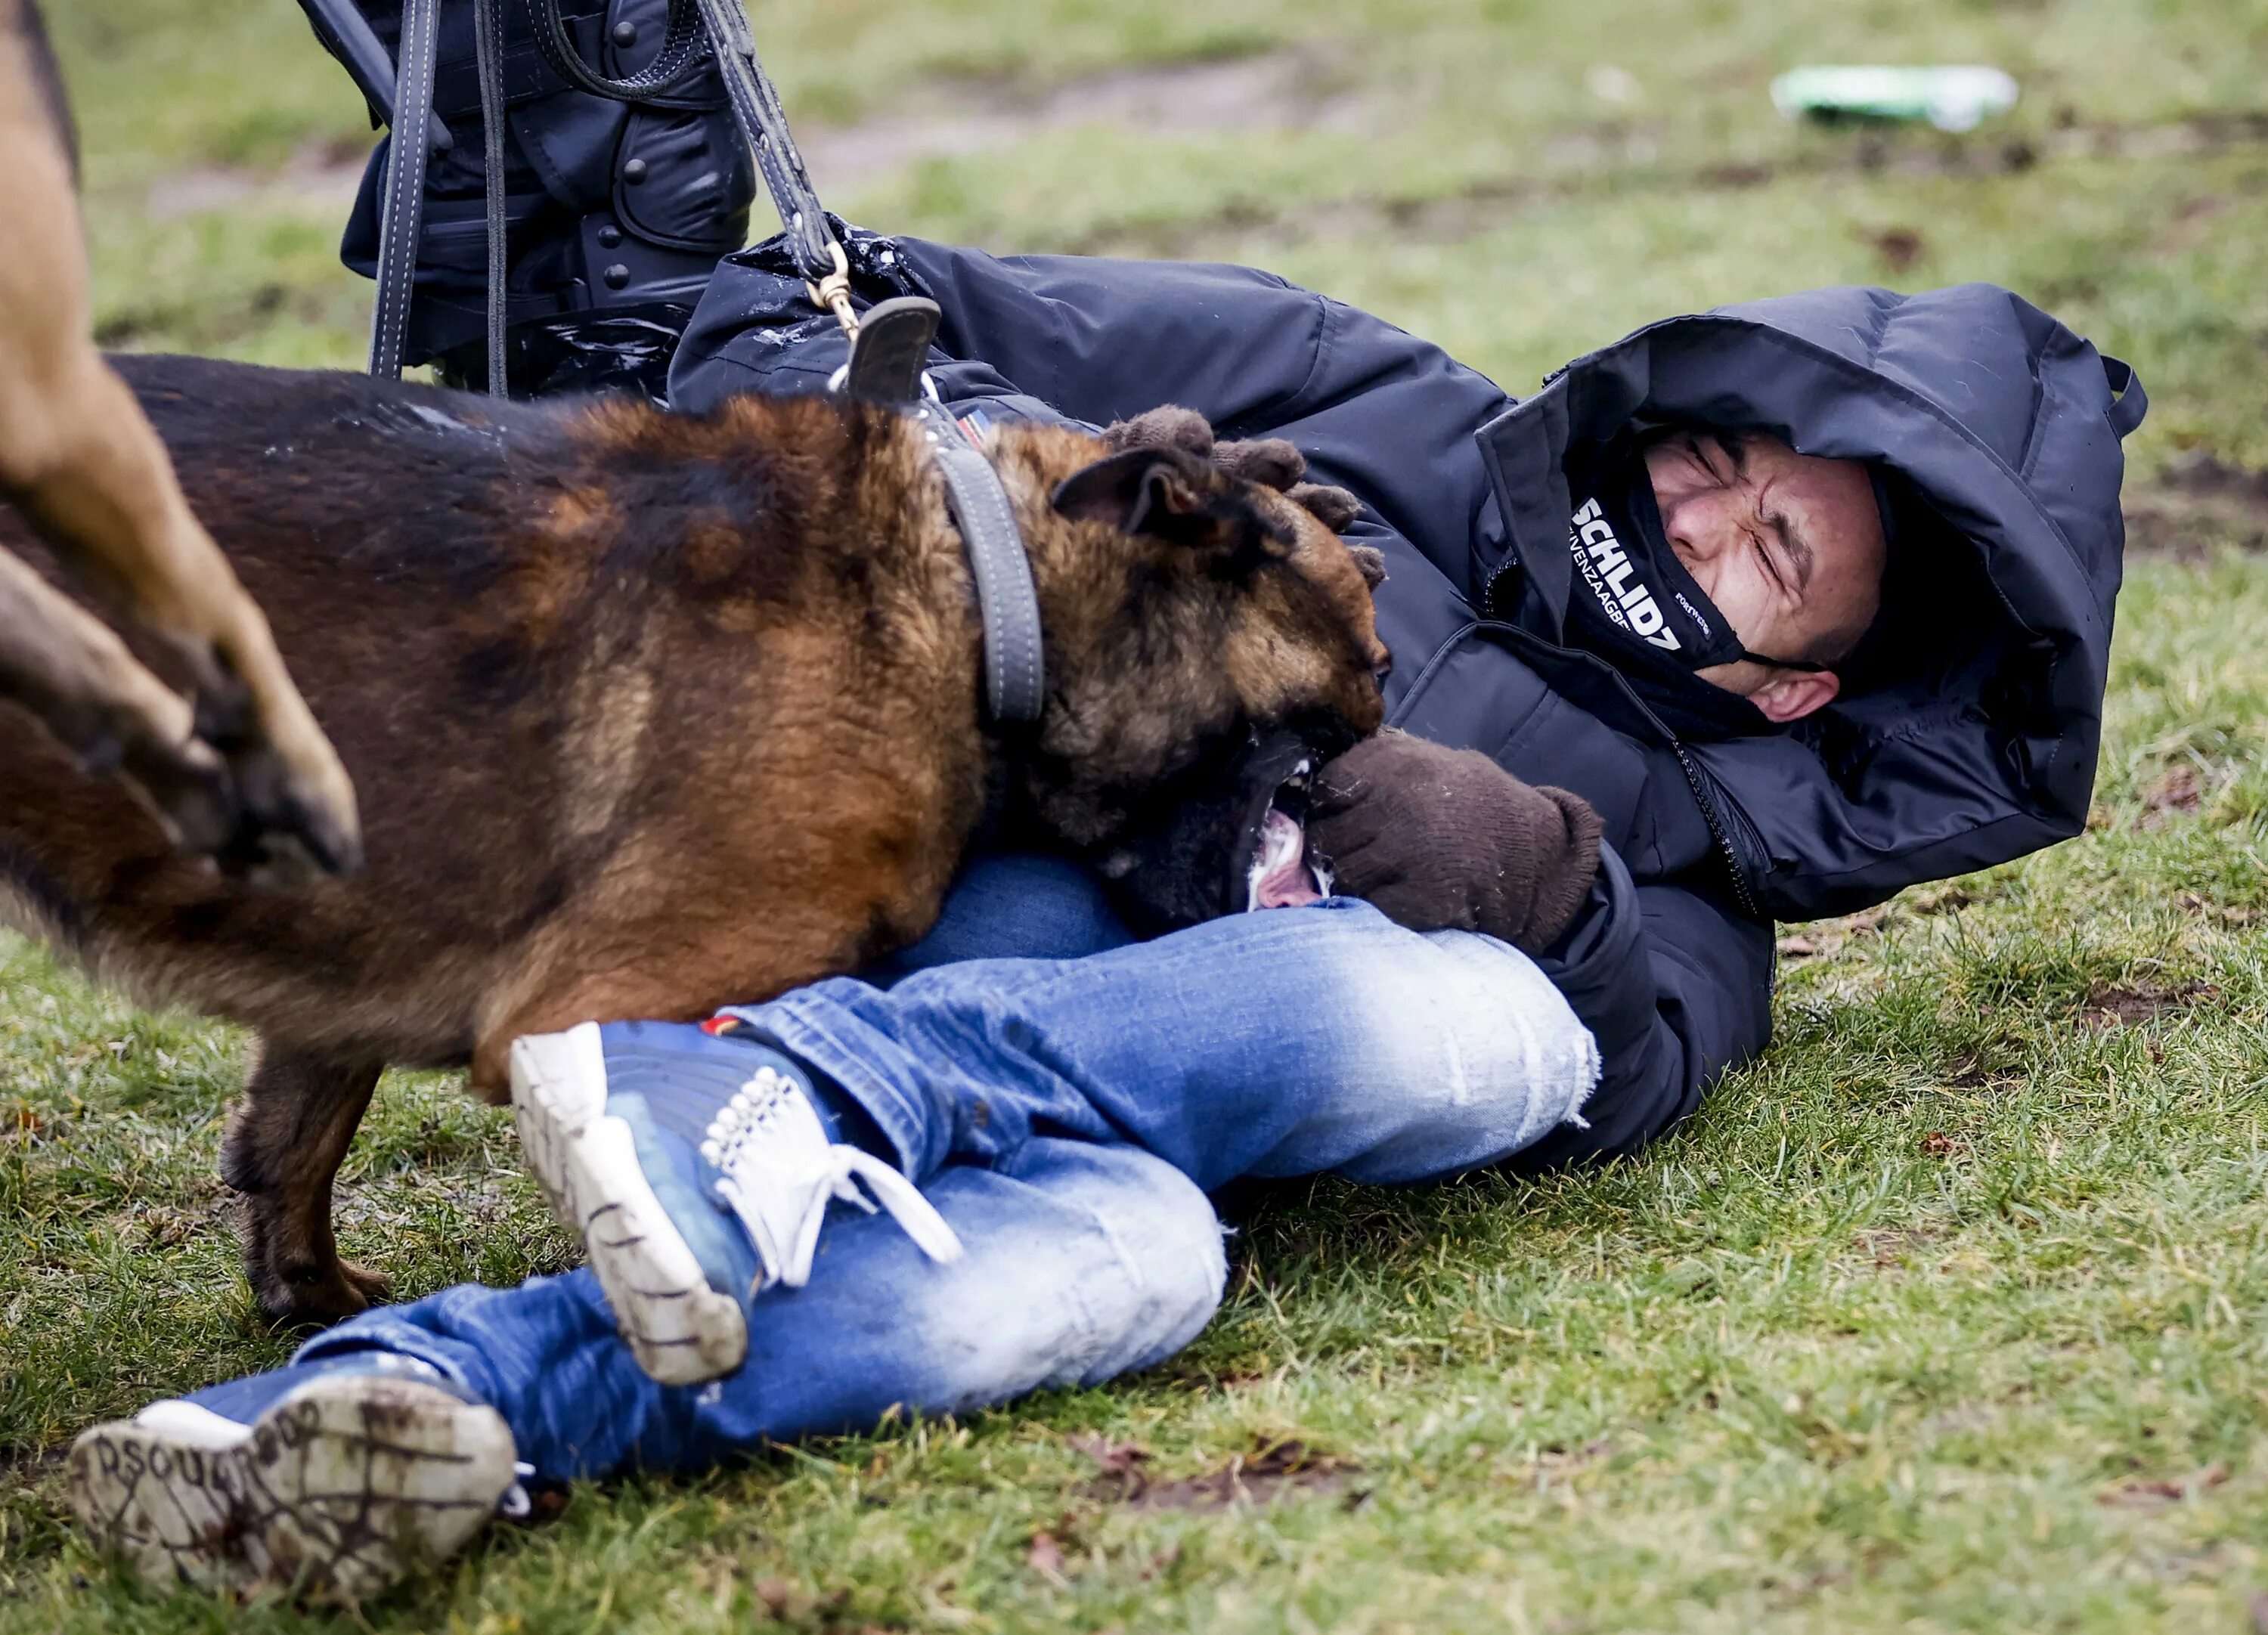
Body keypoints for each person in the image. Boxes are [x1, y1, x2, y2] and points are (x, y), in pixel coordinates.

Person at [66, 15, 2146, 1596]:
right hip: (889, 884)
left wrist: (1543, 878)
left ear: (1793, 683)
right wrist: (1062, 516)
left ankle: (414, 1406)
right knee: (1312, 1109)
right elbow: (889, 330)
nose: (1703, 502)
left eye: (1775, 547)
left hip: (1084, 1119)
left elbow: (1639, 1050)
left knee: (1274, 1171)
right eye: (1731, 453)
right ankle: (769, 1108)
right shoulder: (1378, 393)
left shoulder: (1711, 852)